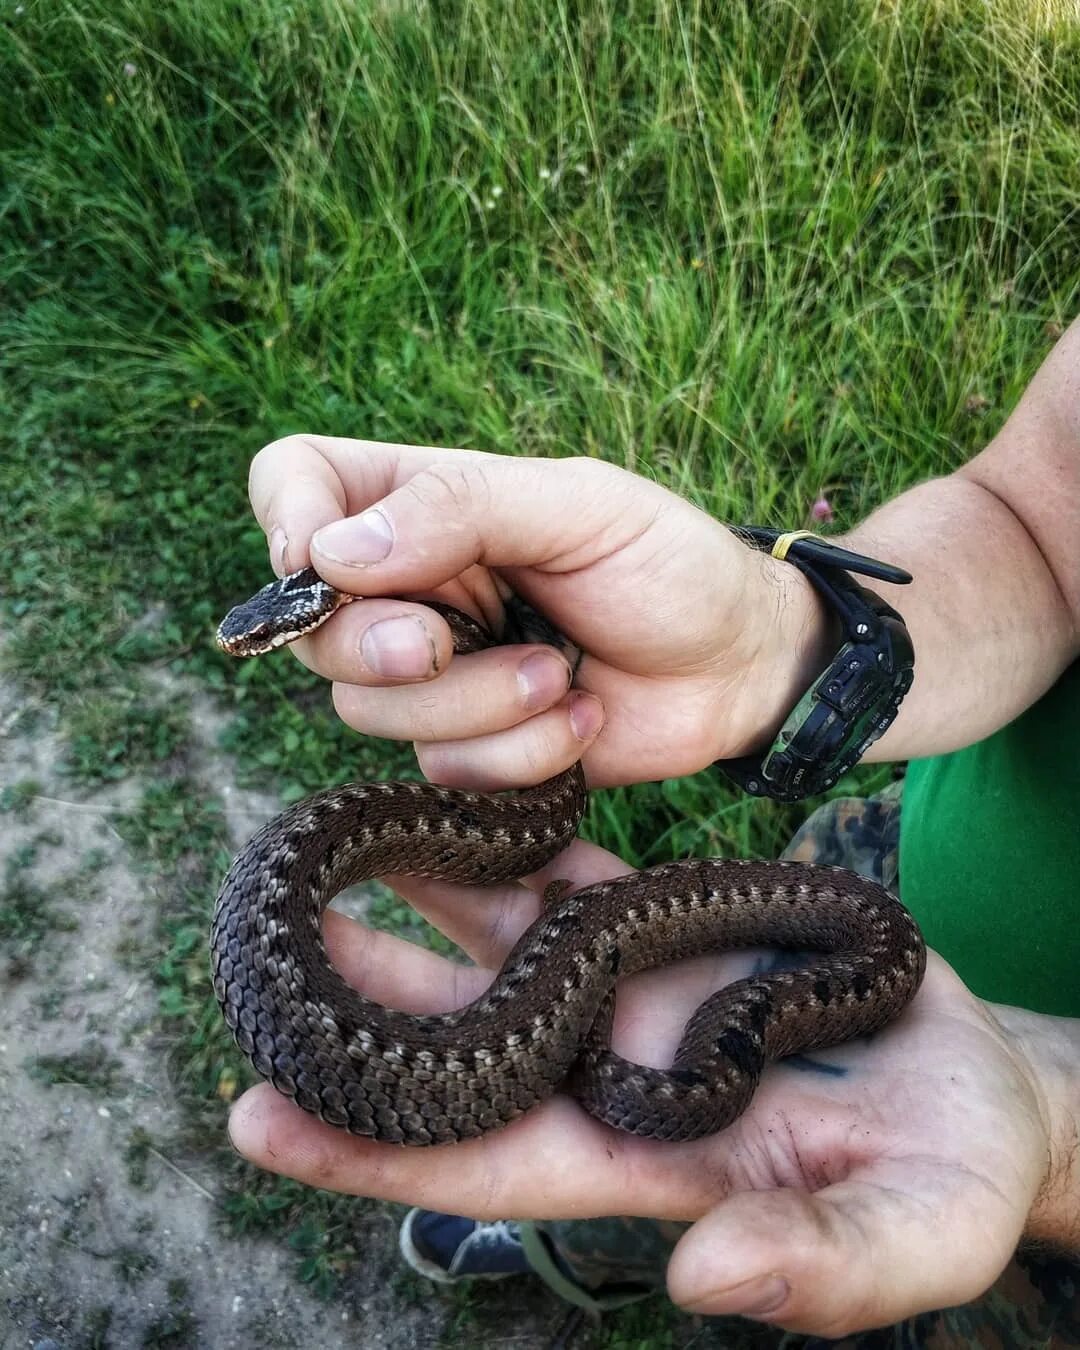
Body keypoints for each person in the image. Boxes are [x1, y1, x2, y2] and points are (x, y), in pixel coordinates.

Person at [227, 317, 1080, 1344]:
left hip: (1036, 1186)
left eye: (263, 635)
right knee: (637, 1150)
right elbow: (1040, 526)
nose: (254, 646)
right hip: (886, 890)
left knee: (755, 1223)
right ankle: (572, 1237)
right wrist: (773, 638)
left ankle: (597, 1207)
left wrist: (1050, 1118)